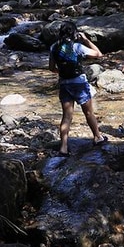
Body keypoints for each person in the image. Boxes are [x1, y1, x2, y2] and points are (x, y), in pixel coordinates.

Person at [48, 21, 107, 156]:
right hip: (79, 83)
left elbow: (51, 68)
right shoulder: (77, 47)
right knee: (88, 113)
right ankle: (98, 137)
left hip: (64, 84)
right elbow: (99, 54)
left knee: (67, 117)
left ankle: (63, 147)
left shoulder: (54, 47)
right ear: (74, 33)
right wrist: (86, 40)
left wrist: (62, 73)